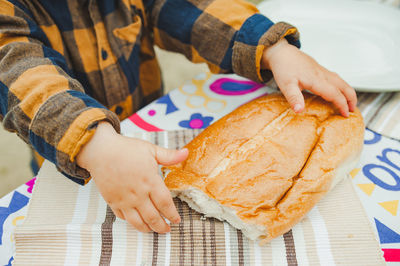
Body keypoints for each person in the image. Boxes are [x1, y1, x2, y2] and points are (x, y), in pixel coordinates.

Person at [0, 0, 356, 234]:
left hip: (150, 138)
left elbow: (192, 10)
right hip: (73, 161)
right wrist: (96, 145)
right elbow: (23, 78)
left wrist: (270, 47)